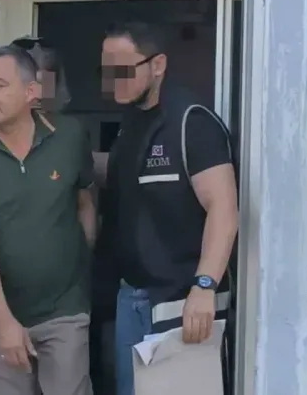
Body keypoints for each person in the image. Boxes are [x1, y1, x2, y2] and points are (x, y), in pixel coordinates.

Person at [0, 45, 96, 395]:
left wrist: (80, 265)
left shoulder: (69, 136)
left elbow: (85, 203)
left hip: (63, 310)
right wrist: (4, 322)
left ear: (31, 92)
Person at [94, 22, 239, 395]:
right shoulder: (130, 125)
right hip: (132, 297)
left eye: (123, 69)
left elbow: (224, 208)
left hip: (181, 302)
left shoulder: (192, 122)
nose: (114, 81)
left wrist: (204, 287)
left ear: (157, 65)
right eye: (107, 71)